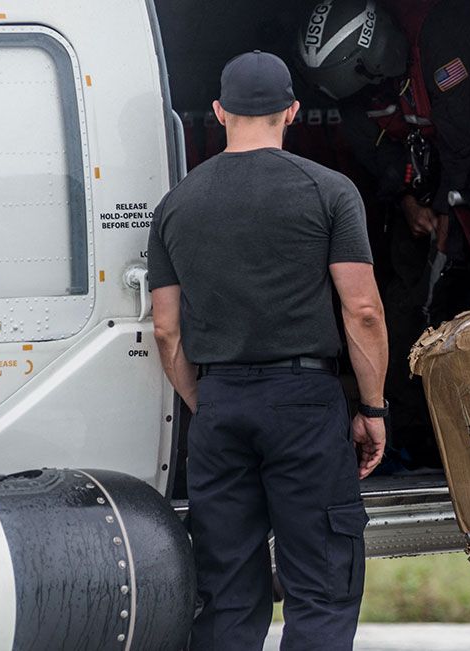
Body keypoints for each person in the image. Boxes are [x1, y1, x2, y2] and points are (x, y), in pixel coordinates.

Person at [148, 50, 388, 651]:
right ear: (294, 110)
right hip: (304, 404)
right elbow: (362, 311)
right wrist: (374, 408)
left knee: (226, 591)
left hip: (221, 406)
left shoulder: (176, 203)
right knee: (321, 587)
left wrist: (205, 401)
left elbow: (166, 331)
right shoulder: (330, 192)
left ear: (219, 111)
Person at [292, 0, 470, 469]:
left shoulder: (440, 41)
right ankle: (410, 432)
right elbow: (371, 152)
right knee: (401, 301)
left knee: (469, 301)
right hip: (421, 195)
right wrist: (408, 201)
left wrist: (443, 211)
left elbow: (465, 138)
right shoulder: (357, 95)